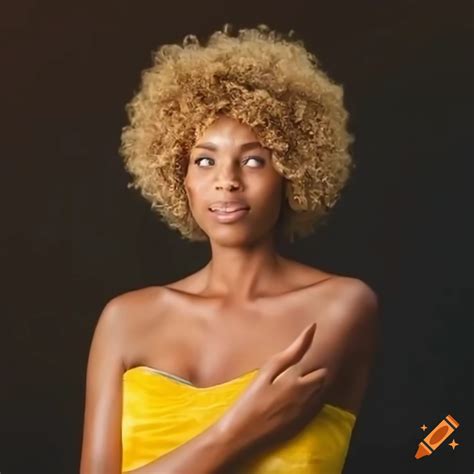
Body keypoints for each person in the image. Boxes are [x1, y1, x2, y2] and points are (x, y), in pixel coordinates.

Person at [80, 24, 379, 474]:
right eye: (205, 160)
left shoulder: (339, 307)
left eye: (254, 159)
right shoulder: (125, 320)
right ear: (180, 178)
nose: (227, 180)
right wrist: (239, 428)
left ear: (292, 172)